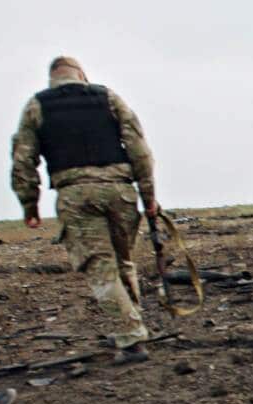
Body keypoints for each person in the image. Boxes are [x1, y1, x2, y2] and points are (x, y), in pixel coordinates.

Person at [11, 57, 156, 364]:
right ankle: (133, 325)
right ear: (81, 75)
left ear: (52, 79)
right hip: (120, 190)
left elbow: (24, 160)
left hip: (75, 194)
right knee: (123, 262)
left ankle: (131, 337)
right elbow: (138, 147)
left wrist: (30, 203)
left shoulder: (37, 106)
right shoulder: (108, 97)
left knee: (101, 269)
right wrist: (149, 196)